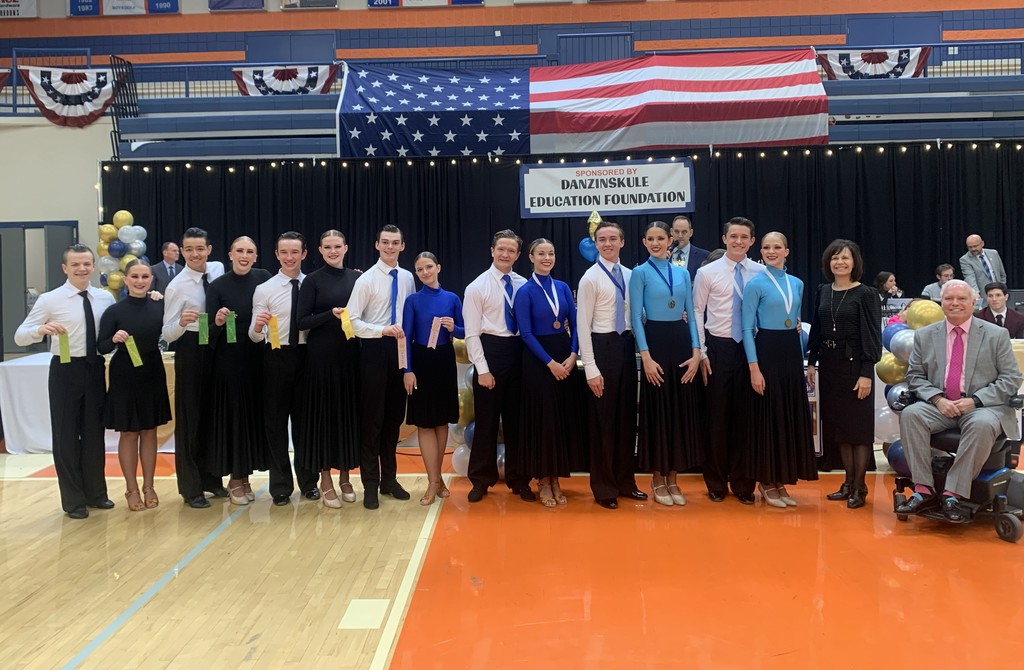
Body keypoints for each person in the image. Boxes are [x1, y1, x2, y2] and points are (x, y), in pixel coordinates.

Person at [896, 279, 1022, 522]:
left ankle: (953, 493)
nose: (955, 304)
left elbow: (1011, 378)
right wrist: (937, 399)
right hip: (940, 405)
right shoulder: (924, 336)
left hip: (980, 406)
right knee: (912, 414)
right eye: (949, 299)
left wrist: (975, 400)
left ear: (974, 303)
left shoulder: (996, 334)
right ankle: (924, 490)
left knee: (982, 424)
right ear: (941, 303)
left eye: (962, 299)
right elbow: (914, 376)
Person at [14, 244, 115, 519]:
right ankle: (73, 500)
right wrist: (40, 329)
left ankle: (96, 493)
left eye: (86, 264)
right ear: (65, 268)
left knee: (94, 435)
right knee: (66, 435)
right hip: (65, 370)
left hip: (94, 368)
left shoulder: (105, 298)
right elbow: (19, 336)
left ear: (94, 266)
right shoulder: (50, 300)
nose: (82, 269)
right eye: (76, 265)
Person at [741, 233, 817, 508]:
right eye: (766, 247)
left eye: (777, 247)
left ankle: (781, 480)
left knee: (786, 417)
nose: (771, 251)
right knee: (768, 419)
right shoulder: (755, 284)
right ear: (760, 251)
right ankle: (766, 480)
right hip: (766, 352)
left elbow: (794, 318)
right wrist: (754, 368)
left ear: (787, 250)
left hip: (789, 354)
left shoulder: (797, 283)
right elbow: (747, 328)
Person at [630, 221, 703, 506]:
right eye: (651, 238)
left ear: (671, 239)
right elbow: (636, 318)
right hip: (656, 344)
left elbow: (693, 315)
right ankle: (657, 478)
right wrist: (645, 356)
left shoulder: (682, 273)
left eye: (661, 237)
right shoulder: (640, 273)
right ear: (645, 242)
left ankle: (673, 477)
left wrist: (697, 350)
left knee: (679, 412)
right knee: (659, 411)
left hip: (681, 344)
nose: (657, 242)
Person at [693, 217, 764, 505]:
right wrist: (702, 353)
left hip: (751, 350)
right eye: (733, 236)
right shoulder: (707, 272)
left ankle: (744, 483)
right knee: (718, 419)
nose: (738, 241)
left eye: (744, 237)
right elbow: (698, 312)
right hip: (719, 348)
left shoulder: (760, 272)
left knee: (746, 419)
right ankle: (716, 482)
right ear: (724, 239)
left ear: (751, 241)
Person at [806, 239, 882, 508]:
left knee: (858, 431)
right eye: (834, 258)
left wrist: (866, 373)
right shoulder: (823, 291)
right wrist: (812, 362)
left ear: (854, 262)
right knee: (839, 428)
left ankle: (860, 488)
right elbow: (816, 328)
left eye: (845, 258)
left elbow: (873, 337)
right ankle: (848, 483)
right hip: (829, 366)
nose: (839, 262)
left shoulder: (866, 294)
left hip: (855, 367)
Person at [576, 220, 646, 509]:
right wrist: (591, 367)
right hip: (601, 348)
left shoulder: (632, 276)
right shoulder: (589, 278)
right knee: (603, 422)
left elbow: (636, 314)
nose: (607, 243)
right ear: (596, 244)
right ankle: (604, 487)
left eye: (612, 238)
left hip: (625, 346)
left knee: (626, 420)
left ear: (622, 242)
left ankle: (625, 482)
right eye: (602, 239)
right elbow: (583, 325)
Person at [512, 238, 586, 508]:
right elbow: (526, 333)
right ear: (530, 257)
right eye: (541, 253)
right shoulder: (525, 291)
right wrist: (549, 363)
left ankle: (556, 477)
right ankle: (542, 479)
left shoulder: (563, 287)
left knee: (561, 419)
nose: (546, 258)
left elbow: (576, 324)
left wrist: (573, 354)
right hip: (538, 361)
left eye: (551, 253)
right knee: (543, 421)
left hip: (565, 357)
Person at [463, 230, 535, 503]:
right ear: (492, 250)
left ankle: (519, 480)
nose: (505, 254)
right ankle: (481, 480)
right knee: (486, 423)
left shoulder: (524, 284)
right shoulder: (477, 287)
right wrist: (482, 369)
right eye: (501, 249)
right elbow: (471, 333)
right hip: (490, 352)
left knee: (518, 422)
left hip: (519, 354)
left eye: (511, 251)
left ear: (518, 255)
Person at [348, 224, 417, 510]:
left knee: (393, 423)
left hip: (400, 351)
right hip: (374, 350)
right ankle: (370, 485)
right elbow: (351, 321)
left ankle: (389, 480)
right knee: (372, 423)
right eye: (385, 242)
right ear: (377, 245)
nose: (390, 247)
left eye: (395, 243)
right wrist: (381, 331)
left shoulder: (408, 277)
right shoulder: (366, 281)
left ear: (402, 246)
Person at [249, 232, 320, 506]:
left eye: (295, 252)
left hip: (307, 358)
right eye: (284, 252)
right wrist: (257, 327)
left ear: (303, 254)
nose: (289, 257)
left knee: (305, 424)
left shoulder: (313, 285)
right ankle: (280, 487)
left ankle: (309, 482)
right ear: (277, 255)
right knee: (275, 425)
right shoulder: (264, 289)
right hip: (276, 359)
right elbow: (254, 337)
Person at [97, 259, 171, 512]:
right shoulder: (114, 312)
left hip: (151, 371)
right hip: (124, 375)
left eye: (145, 277)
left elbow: (170, 331)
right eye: (135, 277)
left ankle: (149, 485)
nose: (140, 281)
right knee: (129, 432)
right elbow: (102, 346)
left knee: (149, 430)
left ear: (151, 280)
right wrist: (114, 339)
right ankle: (131, 488)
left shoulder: (159, 306)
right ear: (126, 280)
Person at [295, 230, 361, 508]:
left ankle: (345, 476)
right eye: (327, 247)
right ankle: (325, 479)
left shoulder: (358, 279)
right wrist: (330, 314)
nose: (333, 251)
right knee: (324, 419)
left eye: (337, 246)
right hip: (320, 360)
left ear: (346, 248)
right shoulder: (312, 280)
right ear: (320, 250)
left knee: (345, 416)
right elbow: (301, 322)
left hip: (350, 359)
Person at [162, 227, 227, 508]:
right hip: (191, 351)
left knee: (212, 417)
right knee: (191, 421)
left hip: (215, 347)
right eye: (189, 249)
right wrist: (182, 323)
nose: (195, 254)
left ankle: (212, 479)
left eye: (200, 248)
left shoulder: (217, 270)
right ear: (181, 251)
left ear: (209, 249)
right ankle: (191, 489)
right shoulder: (177, 286)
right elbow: (167, 334)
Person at [204, 237, 271, 505]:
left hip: (259, 360)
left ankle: (245, 477)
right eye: (240, 251)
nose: (244, 255)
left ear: (256, 255)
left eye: (250, 251)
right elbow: (206, 335)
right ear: (230, 254)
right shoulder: (217, 287)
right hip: (229, 364)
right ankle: (234, 479)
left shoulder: (264, 278)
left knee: (253, 420)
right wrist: (218, 322)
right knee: (234, 420)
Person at [402, 252, 465, 505]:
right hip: (420, 361)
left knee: (441, 423)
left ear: (438, 267)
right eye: (420, 269)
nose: (425, 272)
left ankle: (437, 480)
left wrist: (454, 328)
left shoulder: (452, 298)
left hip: (444, 361)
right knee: (425, 424)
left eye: (429, 267)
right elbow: (405, 336)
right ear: (416, 273)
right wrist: (407, 369)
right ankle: (431, 481)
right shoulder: (412, 300)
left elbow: (466, 329)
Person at [668, 214, 710, 281]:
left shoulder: (704, 256)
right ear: (671, 232)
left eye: (684, 232)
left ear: (691, 232)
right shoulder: (663, 256)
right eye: (676, 232)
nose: (680, 235)